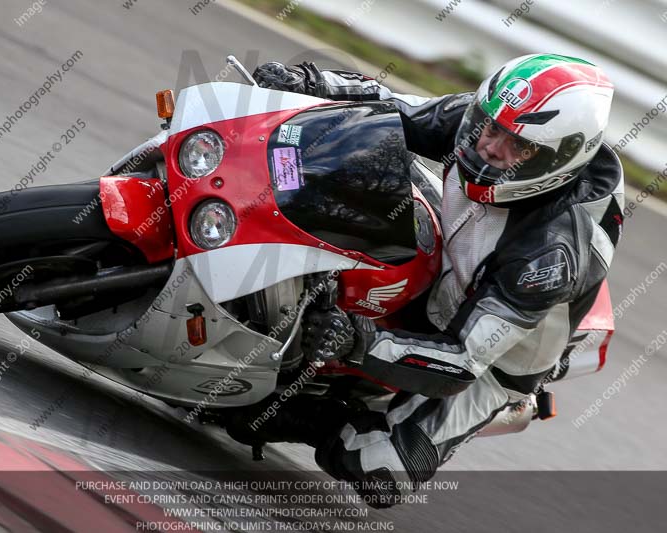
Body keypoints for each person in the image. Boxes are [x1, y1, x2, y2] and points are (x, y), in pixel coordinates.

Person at [225, 54, 625, 507]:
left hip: (492, 357)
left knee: (378, 469)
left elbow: (461, 360)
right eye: (491, 127)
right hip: (453, 255)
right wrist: (310, 80)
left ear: (559, 158)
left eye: (520, 147)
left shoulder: (548, 254)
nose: (491, 148)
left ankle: (309, 411)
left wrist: (356, 341)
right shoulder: (489, 127)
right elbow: (394, 105)